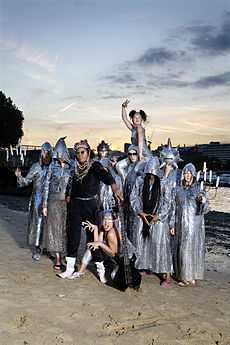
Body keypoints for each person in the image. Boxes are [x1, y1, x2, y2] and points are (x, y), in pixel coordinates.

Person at [58, 139, 123, 279]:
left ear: (88, 153)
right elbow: (70, 185)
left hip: (91, 206)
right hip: (75, 206)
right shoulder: (74, 168)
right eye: (78, 153)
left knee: (92, 238)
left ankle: (101, 270)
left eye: (83, 152)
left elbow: (107, 177)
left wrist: (115, 188)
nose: (80, 155)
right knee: (73, 236)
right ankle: (69, 268)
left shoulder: (95, 165)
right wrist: (68, 196)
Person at [130, 156, 175, 287]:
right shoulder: (140, 181)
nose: (151, 175)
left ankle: (167, 275)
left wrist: (159, 215)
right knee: (143, 242)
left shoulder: (164, 182)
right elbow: (134, 197)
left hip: (158, 219)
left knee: (161, 245)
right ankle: (145, 266)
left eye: (153, 173)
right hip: (143, 216)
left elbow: (168, 202)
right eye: (149, 173)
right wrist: (140, 212)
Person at [15, 142, 52, 261]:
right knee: (38, 223)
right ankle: (37, 248)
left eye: (48, 153)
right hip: (37, 199)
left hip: (51, 199)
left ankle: (48, 247)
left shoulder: (53, 167)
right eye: (45, 152)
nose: (46, 155)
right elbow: (26, 182)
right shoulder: (36, 166)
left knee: (50, 224)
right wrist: (19, 176)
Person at [175, 163, 209, 287]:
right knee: (183, 250)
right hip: (181, 225)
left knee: (192, 249)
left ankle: (191, 275)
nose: (187, 175)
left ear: (194, 175)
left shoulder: (198, 190)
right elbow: (174, 208)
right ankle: (184, 276)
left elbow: (205, 209)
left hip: (195, 225)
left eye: (190, 173)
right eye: (185, 173)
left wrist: (203, 202)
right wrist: (172, 225)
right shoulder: (178, 189)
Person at [43, 137, 72, 272]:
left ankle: (67, 256)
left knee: (66, 230)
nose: (60, 157)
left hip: (67, 203)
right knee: (55, 230)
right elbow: (46, 186)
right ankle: (58, 258)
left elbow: (74, 184)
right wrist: (44, 205)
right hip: (53, 202)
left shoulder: (72, 167)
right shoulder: (51, 167)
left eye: (62, 154)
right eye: (57, 154)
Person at [68, 211, 121, 283]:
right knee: (91, 247)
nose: (106, 223)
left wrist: (100, 244)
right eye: (104, 219)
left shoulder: (111, 233)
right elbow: (96, 244)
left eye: (109, 220)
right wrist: (95, 229)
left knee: (114, 277)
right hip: (112, 258)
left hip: (121, 261)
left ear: (114, 221)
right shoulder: (103, 229)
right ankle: (81, 272)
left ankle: (105, 271)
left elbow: (113, 254)